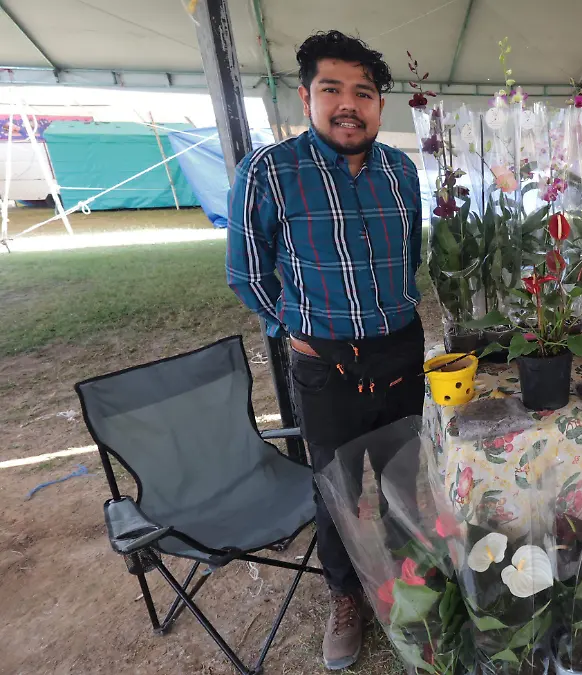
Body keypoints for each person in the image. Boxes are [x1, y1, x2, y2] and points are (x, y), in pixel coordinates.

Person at [226, 31, 423, 671]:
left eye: (363, 92)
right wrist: (300, 333)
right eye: (332, 89)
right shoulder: (270, 171)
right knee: (335, 483)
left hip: (399, 349)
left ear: (379, 106)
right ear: (306, 96)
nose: (348, 104)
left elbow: (410, 261)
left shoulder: (403, 172)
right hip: (324, 361)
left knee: (404, 474)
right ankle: (345, 596)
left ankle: (406, 574)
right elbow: (248, 273)